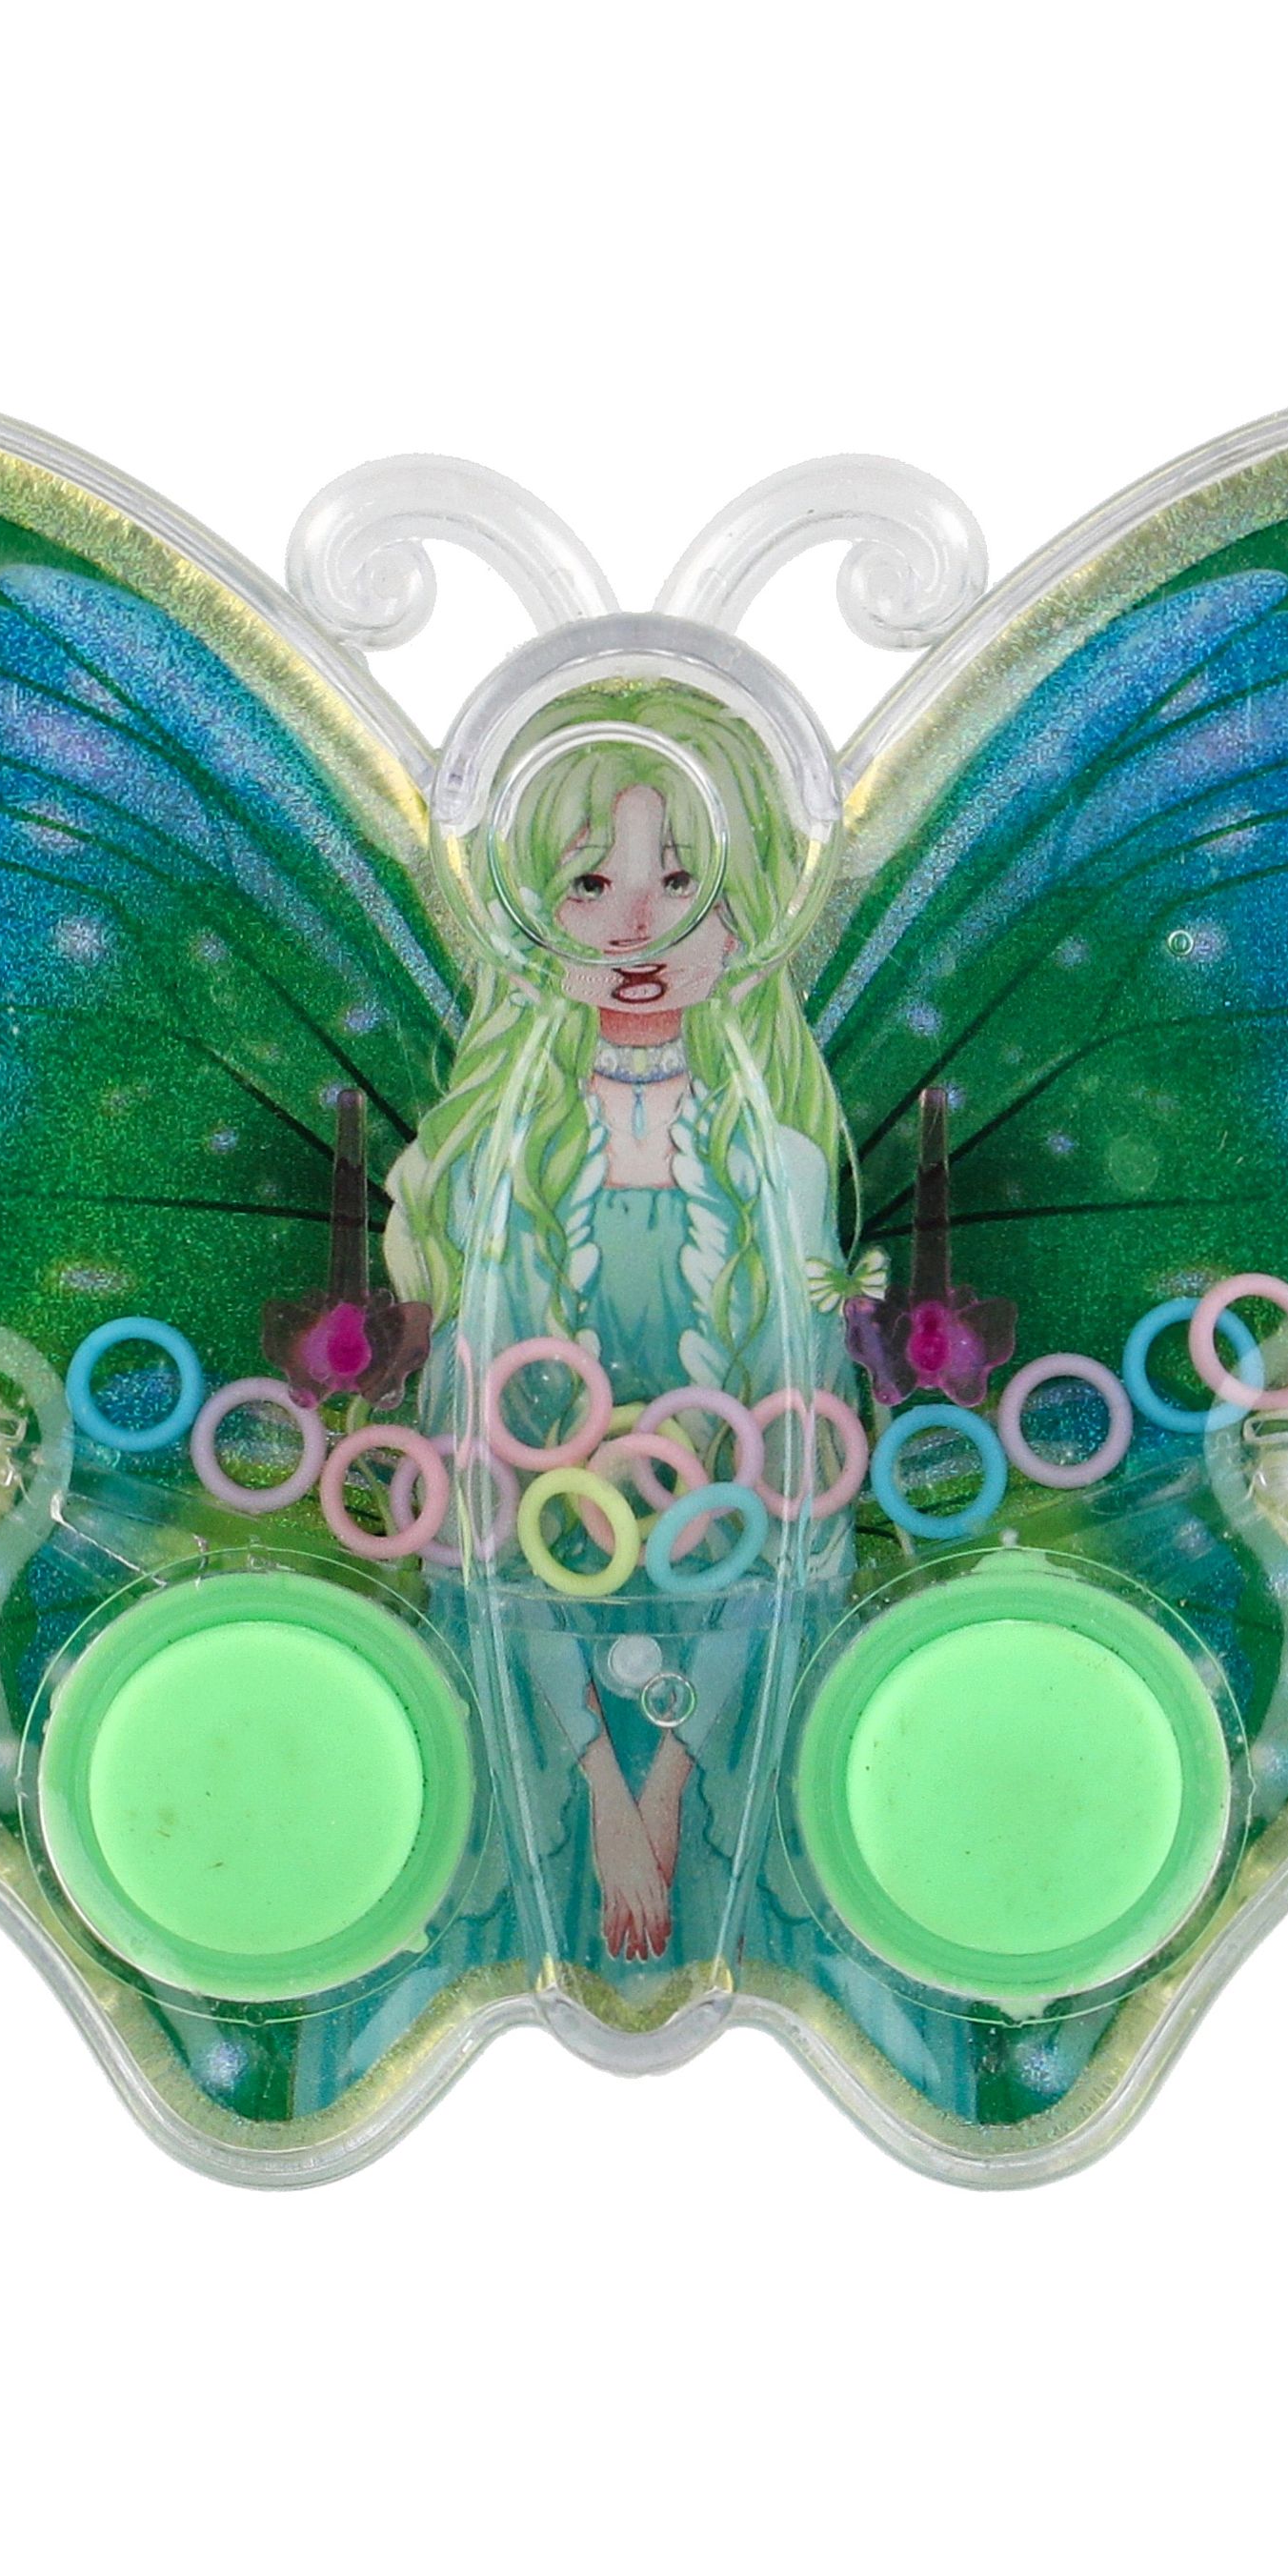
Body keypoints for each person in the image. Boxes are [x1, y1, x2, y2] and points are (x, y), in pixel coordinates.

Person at [385, 706, 852, 1992]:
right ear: (524, 916)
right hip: (531, 1674)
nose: (636, 927)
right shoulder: (489, 1173)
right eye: (588, 884)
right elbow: (478, 1519)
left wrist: (668, 1791)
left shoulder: (786, 1170)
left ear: (750, 911)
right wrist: (600, 1791)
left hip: (737, 1668)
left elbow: (799, 1507)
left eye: (679, 880)